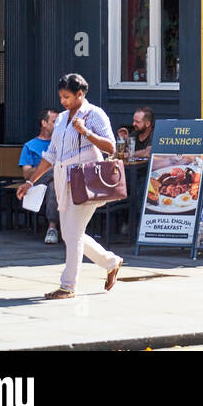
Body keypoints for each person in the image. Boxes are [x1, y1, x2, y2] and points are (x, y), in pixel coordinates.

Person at [16, 73, 123, 299]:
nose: (63, 101)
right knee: (70, 233)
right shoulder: (63, 118)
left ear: (80, 94)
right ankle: (111, 262)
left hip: (86, 181)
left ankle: (68, 286)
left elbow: (111, 147)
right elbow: (51, 154)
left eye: (67, 97)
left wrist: (86, 132)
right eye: (61, 97)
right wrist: (30, 181)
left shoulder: (95, 114)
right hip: (64, 179)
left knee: (72, 234)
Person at [20, 109, 60, 244]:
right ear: (44, 123)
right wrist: (45, 169)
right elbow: (26, 173)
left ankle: (52, 227)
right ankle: (53, 227)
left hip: (61, 183)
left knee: (54, 184)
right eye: (55, 122)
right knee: (56, 171)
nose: (58, 125)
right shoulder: (30, 146)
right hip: (36, 183)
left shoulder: (60, 143)